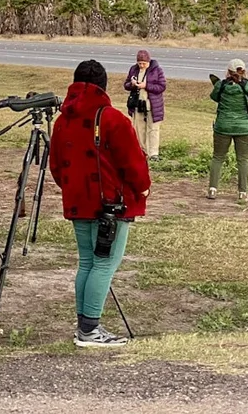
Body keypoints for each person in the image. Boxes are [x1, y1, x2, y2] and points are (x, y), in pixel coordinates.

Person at [49, 60, 151, 348]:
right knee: (104, 264)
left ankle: (84, 324)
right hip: (111, 205)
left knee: (88, 263)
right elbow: (133, 165)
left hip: (78, 201)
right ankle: (90, 329)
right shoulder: (112, 119)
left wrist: (73, 188)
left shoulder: (62, 120)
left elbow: (56, 166)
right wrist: (142, 189)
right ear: (104, 86)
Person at [208, 59, 248, 203]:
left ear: (228, 71)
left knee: (218, 157)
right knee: (243, 160)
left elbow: (214, 97)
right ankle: (242, 193)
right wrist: (244, 82)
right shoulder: (247, 85)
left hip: (222, 126)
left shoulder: (221, 85)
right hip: (243, 127)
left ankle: (212, 189)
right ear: (243, 71)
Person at [123, 50, 167, 161]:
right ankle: (142, 151)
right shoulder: (133, 69)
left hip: (152, 105)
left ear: (149, 61)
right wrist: (132, 85)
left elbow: (161, 87)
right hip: (138, 104)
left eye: (144, 63)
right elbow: (126, 85)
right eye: (139, 63)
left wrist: (146, 86)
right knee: (139, 129)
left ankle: (153, 154)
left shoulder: (157, 70)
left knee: (153, 129)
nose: (142, 65)